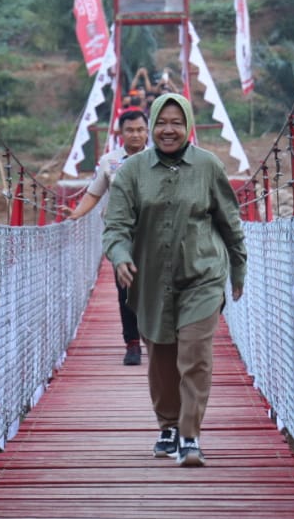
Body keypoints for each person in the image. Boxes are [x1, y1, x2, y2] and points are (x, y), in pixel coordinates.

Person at [102, 93, 246, 467]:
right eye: (161, 123)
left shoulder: (208, 166)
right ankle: (167, 424)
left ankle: (189, 435)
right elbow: (116, 225)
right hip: (150, 279)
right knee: (162, 358)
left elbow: (230, 223)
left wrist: (238, 269)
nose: (169, 130)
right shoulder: (132, 172)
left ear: (188, 126)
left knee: (194, 355)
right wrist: (119, 256)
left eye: (176, 122)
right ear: (152, 126)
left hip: (203, 275)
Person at [69, 107, 149, 365]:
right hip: (121, 236)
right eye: (130, 130)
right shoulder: (110, 161)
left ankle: (153, 337)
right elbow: (94, 194)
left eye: (140, 129)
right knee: (125, 289)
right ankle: (133, 343)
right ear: (120, 133)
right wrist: (75, 215)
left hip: (156, 234)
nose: (135, 135)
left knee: (156, 289)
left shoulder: (162, 159)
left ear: (147, 131)